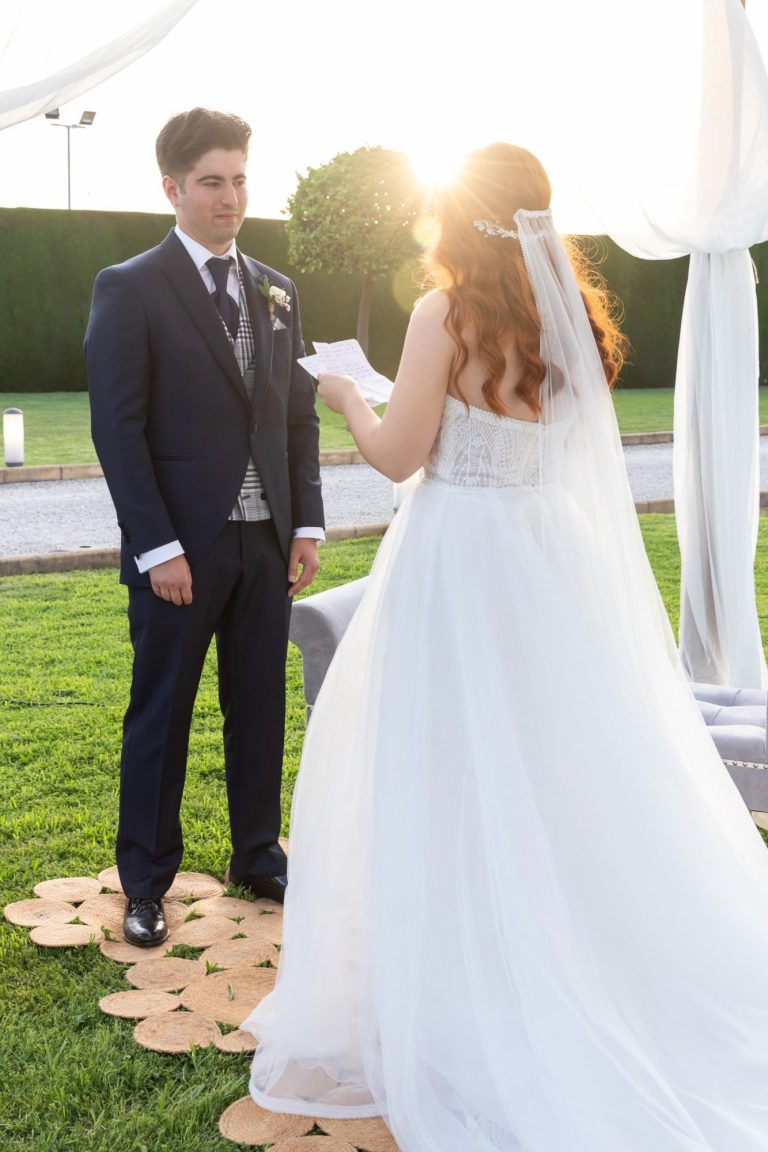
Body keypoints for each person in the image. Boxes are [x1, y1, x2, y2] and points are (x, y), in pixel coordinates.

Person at [243, 143, 768, 1151]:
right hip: (542, 562)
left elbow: (401, 453)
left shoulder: (445, 313)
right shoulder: (562, 317)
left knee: (445, 773)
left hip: (455, 564)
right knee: (544, 777)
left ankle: (461, 990)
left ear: (458, 210)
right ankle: (552, 957)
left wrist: (348, 398)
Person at [85, 108, 324, 948]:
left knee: (258, 706)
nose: (232, 198)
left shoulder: (277, 287)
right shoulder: (130, 287)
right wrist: (158, 548)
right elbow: (118, 428)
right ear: (173, 189)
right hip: (180, 551)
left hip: (267, 542)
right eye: (213, 182)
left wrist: (305, 525)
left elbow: (297, 416)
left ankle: (257, 855)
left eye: (241, 180)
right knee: (162, 715)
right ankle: (146, 883)